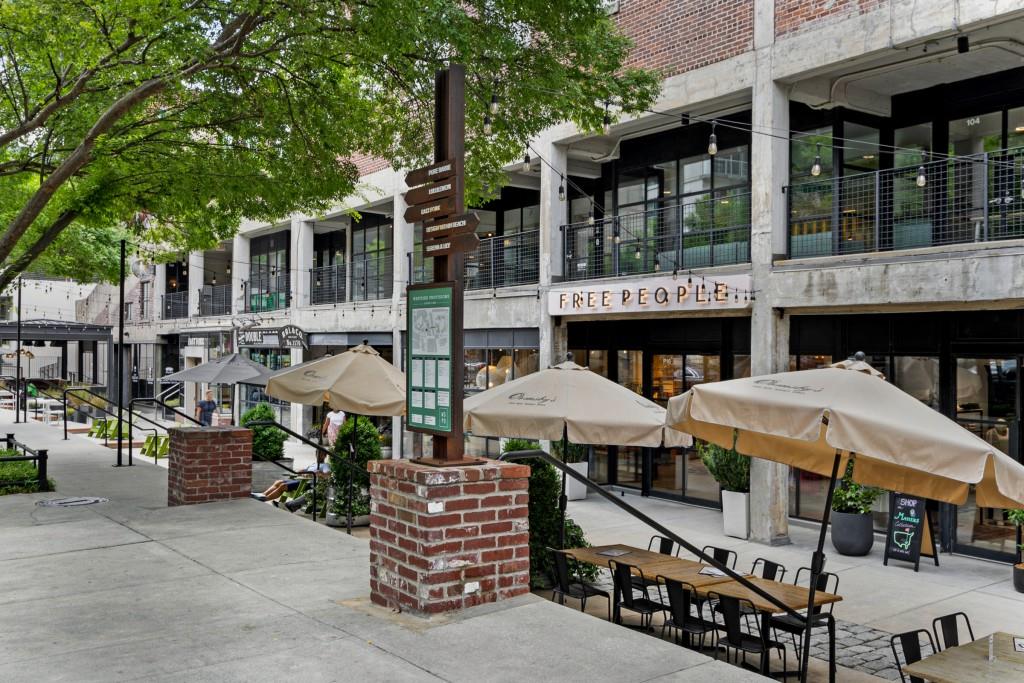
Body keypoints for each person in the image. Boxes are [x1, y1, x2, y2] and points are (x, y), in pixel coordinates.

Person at [252, 451, 330, 512]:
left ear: (325, 456)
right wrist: (302, 471)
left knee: (283, 486)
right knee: (278, 482)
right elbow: (303, 471)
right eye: (317, 453)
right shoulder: (314, 464)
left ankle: (265, 499)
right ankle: (262, 495)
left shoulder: (325, 465)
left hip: (306, 483)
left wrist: (320, 474)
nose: (318, 455)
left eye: (321, 454)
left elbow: (327, 475)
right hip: (299, 479)